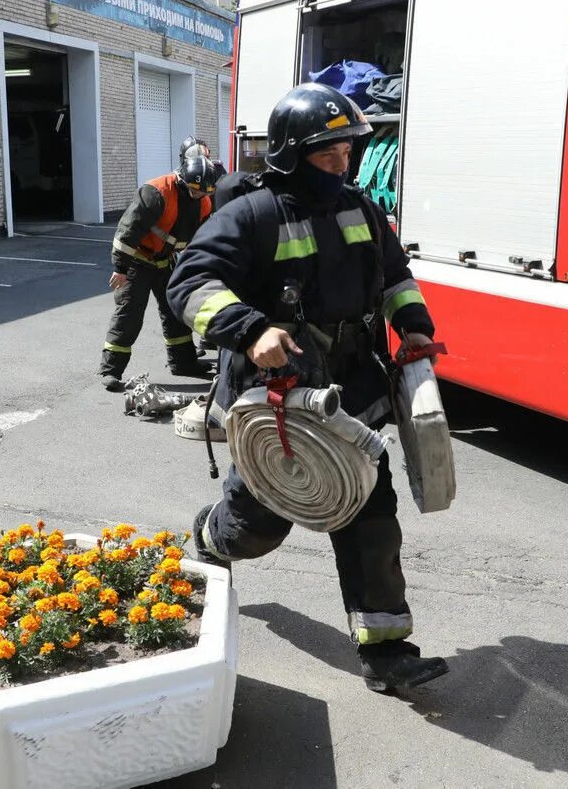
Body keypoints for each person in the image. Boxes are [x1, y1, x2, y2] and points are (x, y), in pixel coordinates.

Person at [166, 83, 448, 693]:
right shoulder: (250, 213)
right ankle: (212, 536)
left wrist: (415, 328)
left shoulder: (363, 210)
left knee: (372, 517)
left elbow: (396, 276)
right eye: (330, 155)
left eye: (348, 153)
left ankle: (386, 651)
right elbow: (189, 283)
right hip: (281, 400)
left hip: (354, 393)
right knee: (260, 528)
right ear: (293, 153)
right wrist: (248, 329)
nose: (343, 165)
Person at [98, 142, 219, 392]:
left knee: (176, 311)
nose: (198, 196)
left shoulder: (204, 202)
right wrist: (120, 268)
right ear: (184, 179)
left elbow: (203, 239)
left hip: (166, 262)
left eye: (202, 192)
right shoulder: (156, 192)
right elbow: (128, 231)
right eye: (194, 190)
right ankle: (111, 370)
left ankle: (183, 363)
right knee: (129, 315)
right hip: (136, 262)